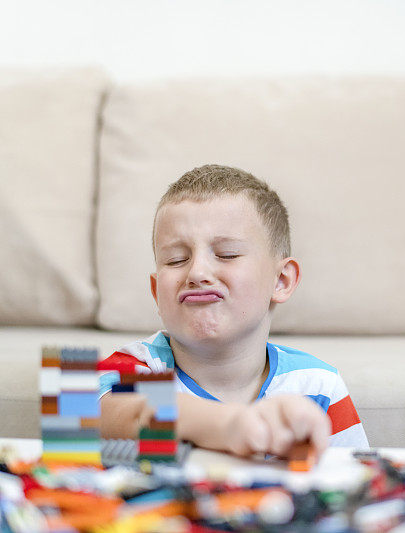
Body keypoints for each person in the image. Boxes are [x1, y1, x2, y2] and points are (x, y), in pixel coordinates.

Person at [98, 164, 369, 458]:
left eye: (227, 254)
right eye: (176, 260)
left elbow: (356, 481)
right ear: (156, 293)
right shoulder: (137, 364)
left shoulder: (320, 384)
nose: (197, 271)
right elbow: (76, 415)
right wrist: (231, 424)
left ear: (281, 280)